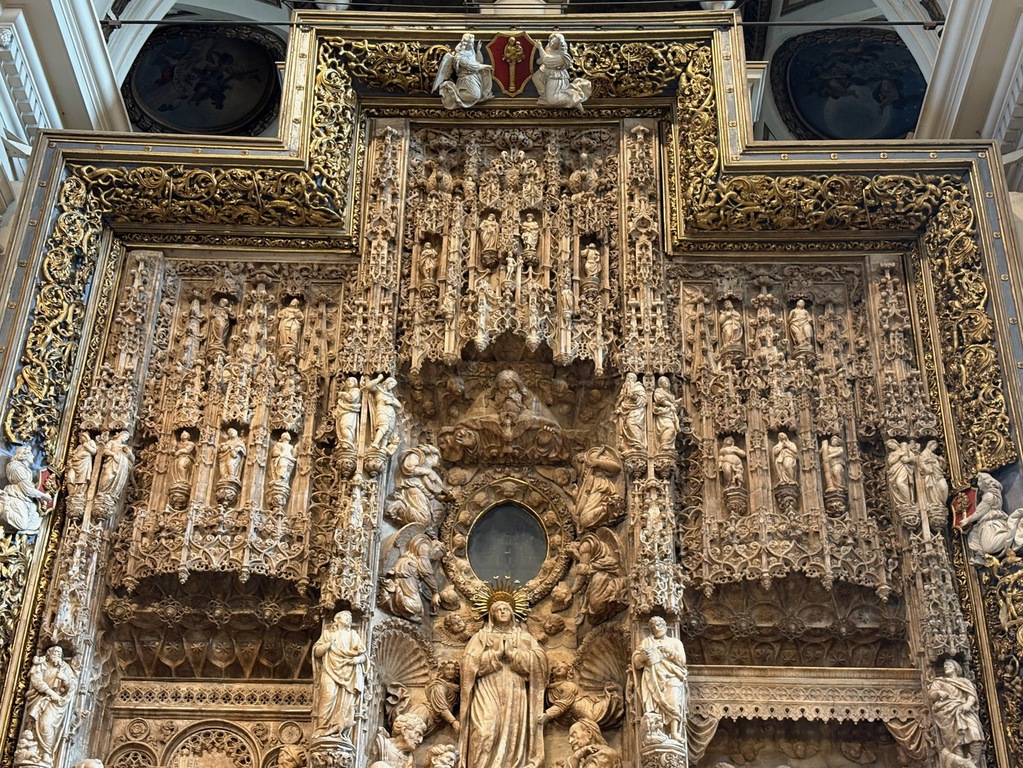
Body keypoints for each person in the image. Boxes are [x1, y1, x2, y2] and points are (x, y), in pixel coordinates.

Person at [460, 600, 548, 768]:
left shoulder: (524, 637)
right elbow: (468, 664)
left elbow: (540, 662)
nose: (502, 612)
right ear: (491, 615)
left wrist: (514, 655)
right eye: (498, 609)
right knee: (484, 729)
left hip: (514, 688)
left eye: (505, 609)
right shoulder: (481, 637)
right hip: (486, 686)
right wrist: (495, 654)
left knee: (512, 731)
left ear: (512, 613)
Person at [313, 611, 367, 741]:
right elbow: (317, 652)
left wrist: (357, 660)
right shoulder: (328, 634)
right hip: (329, 669)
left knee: (345, 702)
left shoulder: (353, 635)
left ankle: (339, 729)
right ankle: (322, 728)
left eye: (350, 617)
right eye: (346, 616)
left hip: (348, 672)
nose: (349, 618)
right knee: (327, 695)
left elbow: (363, 655)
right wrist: (328, 644)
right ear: (337, 619)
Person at [632, 617, 688, 742]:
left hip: (672, 675)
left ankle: (674, 732)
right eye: (653, 627)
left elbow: (682, 661)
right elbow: (636, 662)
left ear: (665, 626)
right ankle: (656, 730)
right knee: (654, 705)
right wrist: (642, 658)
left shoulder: (675, 642)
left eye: (659, 625)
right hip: (652, 677)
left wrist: (670, 651)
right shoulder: (647, 642)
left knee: (674, 701)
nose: (657, 628)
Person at [18, 646, 75, 767]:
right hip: (39, 698)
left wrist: (65, 680)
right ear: (48, 654)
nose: (57, 654)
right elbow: (36, 681)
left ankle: (46, 753)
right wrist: (50, 692)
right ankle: (35, 751)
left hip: (55, 704)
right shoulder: (40, 664)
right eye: (55, 652)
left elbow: (72, 686)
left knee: (46, 725)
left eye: (59, 653)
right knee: (33, 725)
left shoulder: (65, 668)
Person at [928, 659, 983, 767]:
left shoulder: (965, 681)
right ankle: (960, 764)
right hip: (947, 713)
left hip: (964, 710)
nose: (946, 667)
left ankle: (974, 763)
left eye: (948, 664)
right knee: (954, 741)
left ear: (955, 667)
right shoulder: (940, 681)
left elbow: (971, 695)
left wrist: (968, 704)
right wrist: (938, 692)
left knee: (975, 735)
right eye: (944, 665)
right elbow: (931, 694)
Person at [379, 532, 445, 622]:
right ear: (437, 549)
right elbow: (425, 571)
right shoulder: (425, 547)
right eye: (439, 557)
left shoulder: (424, 546)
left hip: (408, 570)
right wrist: (435, 592)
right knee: (415, 607)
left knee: (417, 610)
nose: (436, 559)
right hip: (408, 570)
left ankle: (393, 591)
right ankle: (390, 592)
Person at [433, 33, 493, 110]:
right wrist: (487, 66)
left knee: (478, 93)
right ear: (465, 43)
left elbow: (479, 61)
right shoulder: (460, 56)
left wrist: (478, 50)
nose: (472, 44)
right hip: (466, 79)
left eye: (472, 42)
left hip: (474, 77)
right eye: (470, 42)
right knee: (475, 95)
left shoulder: (471, 51)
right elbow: (473, 66)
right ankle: (453, 93)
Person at [532, 33, 592, 111]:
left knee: (553, 101)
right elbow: (542, 59)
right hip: (546, 72)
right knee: (535, 77)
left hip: (556, 77)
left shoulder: (562, 57)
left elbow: (547, 60)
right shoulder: (550, 47)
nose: (551, 44)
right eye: (551, 42)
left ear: (560, 45)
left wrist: (540, 48)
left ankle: (574, 98)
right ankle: (545, 96)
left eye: (555, 44)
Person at [615, 373, 647, 453]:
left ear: (634, 379)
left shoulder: (638, 387)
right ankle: (629, 445)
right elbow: (621, 401)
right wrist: (619, 409)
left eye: (631, 378)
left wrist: (633, 396)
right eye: (627, 377)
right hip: (625, 410)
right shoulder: (624, 389)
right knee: (626, 425)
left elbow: (642, 400)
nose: (628, 379)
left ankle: (637, 443)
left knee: (631, 423)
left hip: (637, 410)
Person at [97, 431, 134, 498]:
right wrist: (113, 454)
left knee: (119, 479)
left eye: (127, 438)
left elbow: (132, 459)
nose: (125, 438)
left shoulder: (126, 447)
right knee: (108, 475)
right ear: (120, 435)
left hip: (123, 464)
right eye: (125, 436)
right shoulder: (112, 442)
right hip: (112, 461)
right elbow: (105, 451)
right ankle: (102, 491)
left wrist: (129, 452)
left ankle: (111, 494)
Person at [651, 377, 681, 455]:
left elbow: (673, 404)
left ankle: (668, 447)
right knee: (669, 427)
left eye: (667, 381)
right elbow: (660, 400)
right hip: (663, 413)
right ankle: (664, 446)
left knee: (673, 429)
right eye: (663, 382)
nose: (666, 383)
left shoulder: (671, 395)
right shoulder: (658, 391)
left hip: (671, 414)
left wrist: (676, 403)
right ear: (660, 384)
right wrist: (671, 405)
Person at [66, 432, 97, 499]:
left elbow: (94, 451)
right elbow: (73, 454)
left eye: (81, 437)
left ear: (85, 437)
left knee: (82, 479)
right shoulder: (79, 446)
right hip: (75, 464)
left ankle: (80, 493)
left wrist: (87, 446)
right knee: (70, 477)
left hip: (84, 464)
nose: (80, 439)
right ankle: (71, 493)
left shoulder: (91, 442)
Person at [334, 376, 362, 449]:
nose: (349, 382)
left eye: (352, 381)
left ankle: (348, 443)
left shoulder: (356, 390)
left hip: (350, 412)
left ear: (355, 383)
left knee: (347, 426)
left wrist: (343, 394)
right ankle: (343, 441)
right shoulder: (348, 392)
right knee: (342, 426)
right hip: (342, 412)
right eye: (348, 381)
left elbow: (351, 398)